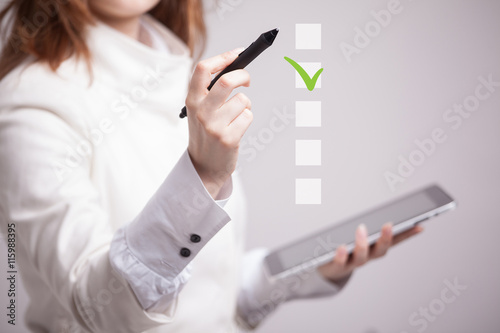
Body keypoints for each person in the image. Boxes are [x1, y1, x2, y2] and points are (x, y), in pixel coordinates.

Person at [0, 1, 423, 332]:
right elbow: (102, 311)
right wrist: (202, 175)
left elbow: (202, 298)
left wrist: (306, 270)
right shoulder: (31, 106)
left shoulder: (177, 73)